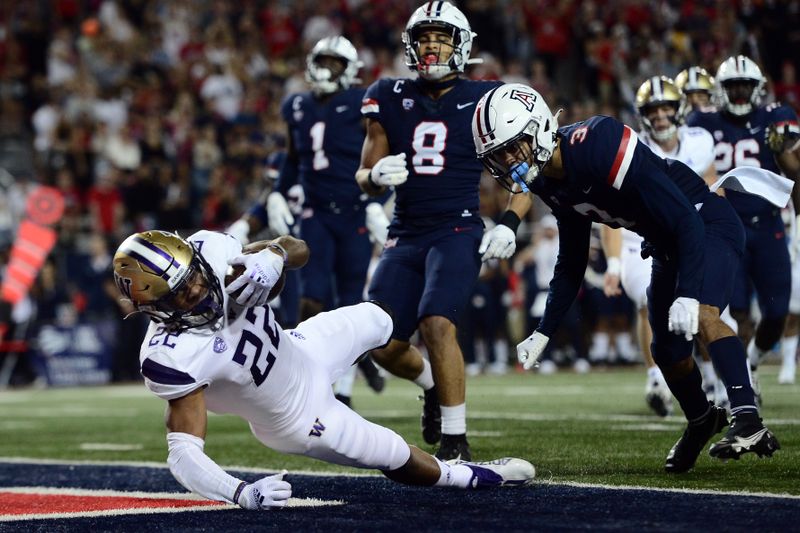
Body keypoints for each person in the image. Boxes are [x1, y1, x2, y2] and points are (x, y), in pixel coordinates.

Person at [472, 82, 784, 473]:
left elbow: (685, 216)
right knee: (667, 353)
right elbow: (571, 261)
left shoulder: (595, 142)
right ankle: (702, 419)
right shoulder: (548, 181)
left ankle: (748, 419)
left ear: (536, 127)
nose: (508, 162)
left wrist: (687, 293)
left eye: (511, 148)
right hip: (667, 240)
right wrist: (544, 330)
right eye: (498, 156)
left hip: (705, 221)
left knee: (703, 313)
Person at [111, 230, 535, 510]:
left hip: (302, 346)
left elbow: (298, 248)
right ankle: (465, 477)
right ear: (154, 309)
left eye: (195, 278)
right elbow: (184, 453)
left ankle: (428, 387)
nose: (200, 291)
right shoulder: (169, 356)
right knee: (392, 452)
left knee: (380, 319)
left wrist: (275, 255)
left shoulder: (215, 251)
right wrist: (240, 493)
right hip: (297, 417)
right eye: (182, 295)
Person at [355, 1, 502, 461]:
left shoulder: (485, 98)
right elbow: (362, 173)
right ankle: (433, 388)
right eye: (424, 38)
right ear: (411, 46)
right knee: (381, 342)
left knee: (437, 323)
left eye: (441, 38)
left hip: (457, 228)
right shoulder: (388, 94)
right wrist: (376, 177)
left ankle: (456, 440)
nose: (431, 46)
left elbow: (518, 168)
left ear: (461, 46)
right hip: (406, 232)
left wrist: (512, 220)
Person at [230, 36, 388, 405]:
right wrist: (277, 193)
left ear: (349, 69)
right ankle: (306, 379)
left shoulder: (362, 100)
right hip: (315, 212)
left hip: (354, 211)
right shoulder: (297, 104)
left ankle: (344, 389)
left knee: (352, 306)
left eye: (335, 63)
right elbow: (293, 158)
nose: (326, 69)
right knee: (311, 300)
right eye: (323, 61)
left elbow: (383, 149)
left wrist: (381, 198)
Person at [601, 76, 721, 417]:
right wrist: (612, 265)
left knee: (702, 305)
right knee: (648, 300)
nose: (660, 115)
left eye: (666, 107)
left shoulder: (699, 140)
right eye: (653, 109)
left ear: (679, 109)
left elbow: (713, 190)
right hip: (639, 240)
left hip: (688, 233)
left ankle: (711, 379)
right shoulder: (631, 146)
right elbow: (607, 210)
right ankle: (656, 377)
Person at [687, 55, 800, 403]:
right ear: (720, 90)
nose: (738, 93)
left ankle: (750, 363)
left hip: (767, 225)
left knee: (778, 311)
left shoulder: (775, 116)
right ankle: (734, 380)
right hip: (723, 228)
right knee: (730, 312)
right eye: (732, 86)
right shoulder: (700, 121)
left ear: (758, 89)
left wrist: (782, 152)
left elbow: (795, 172)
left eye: (744, 87)